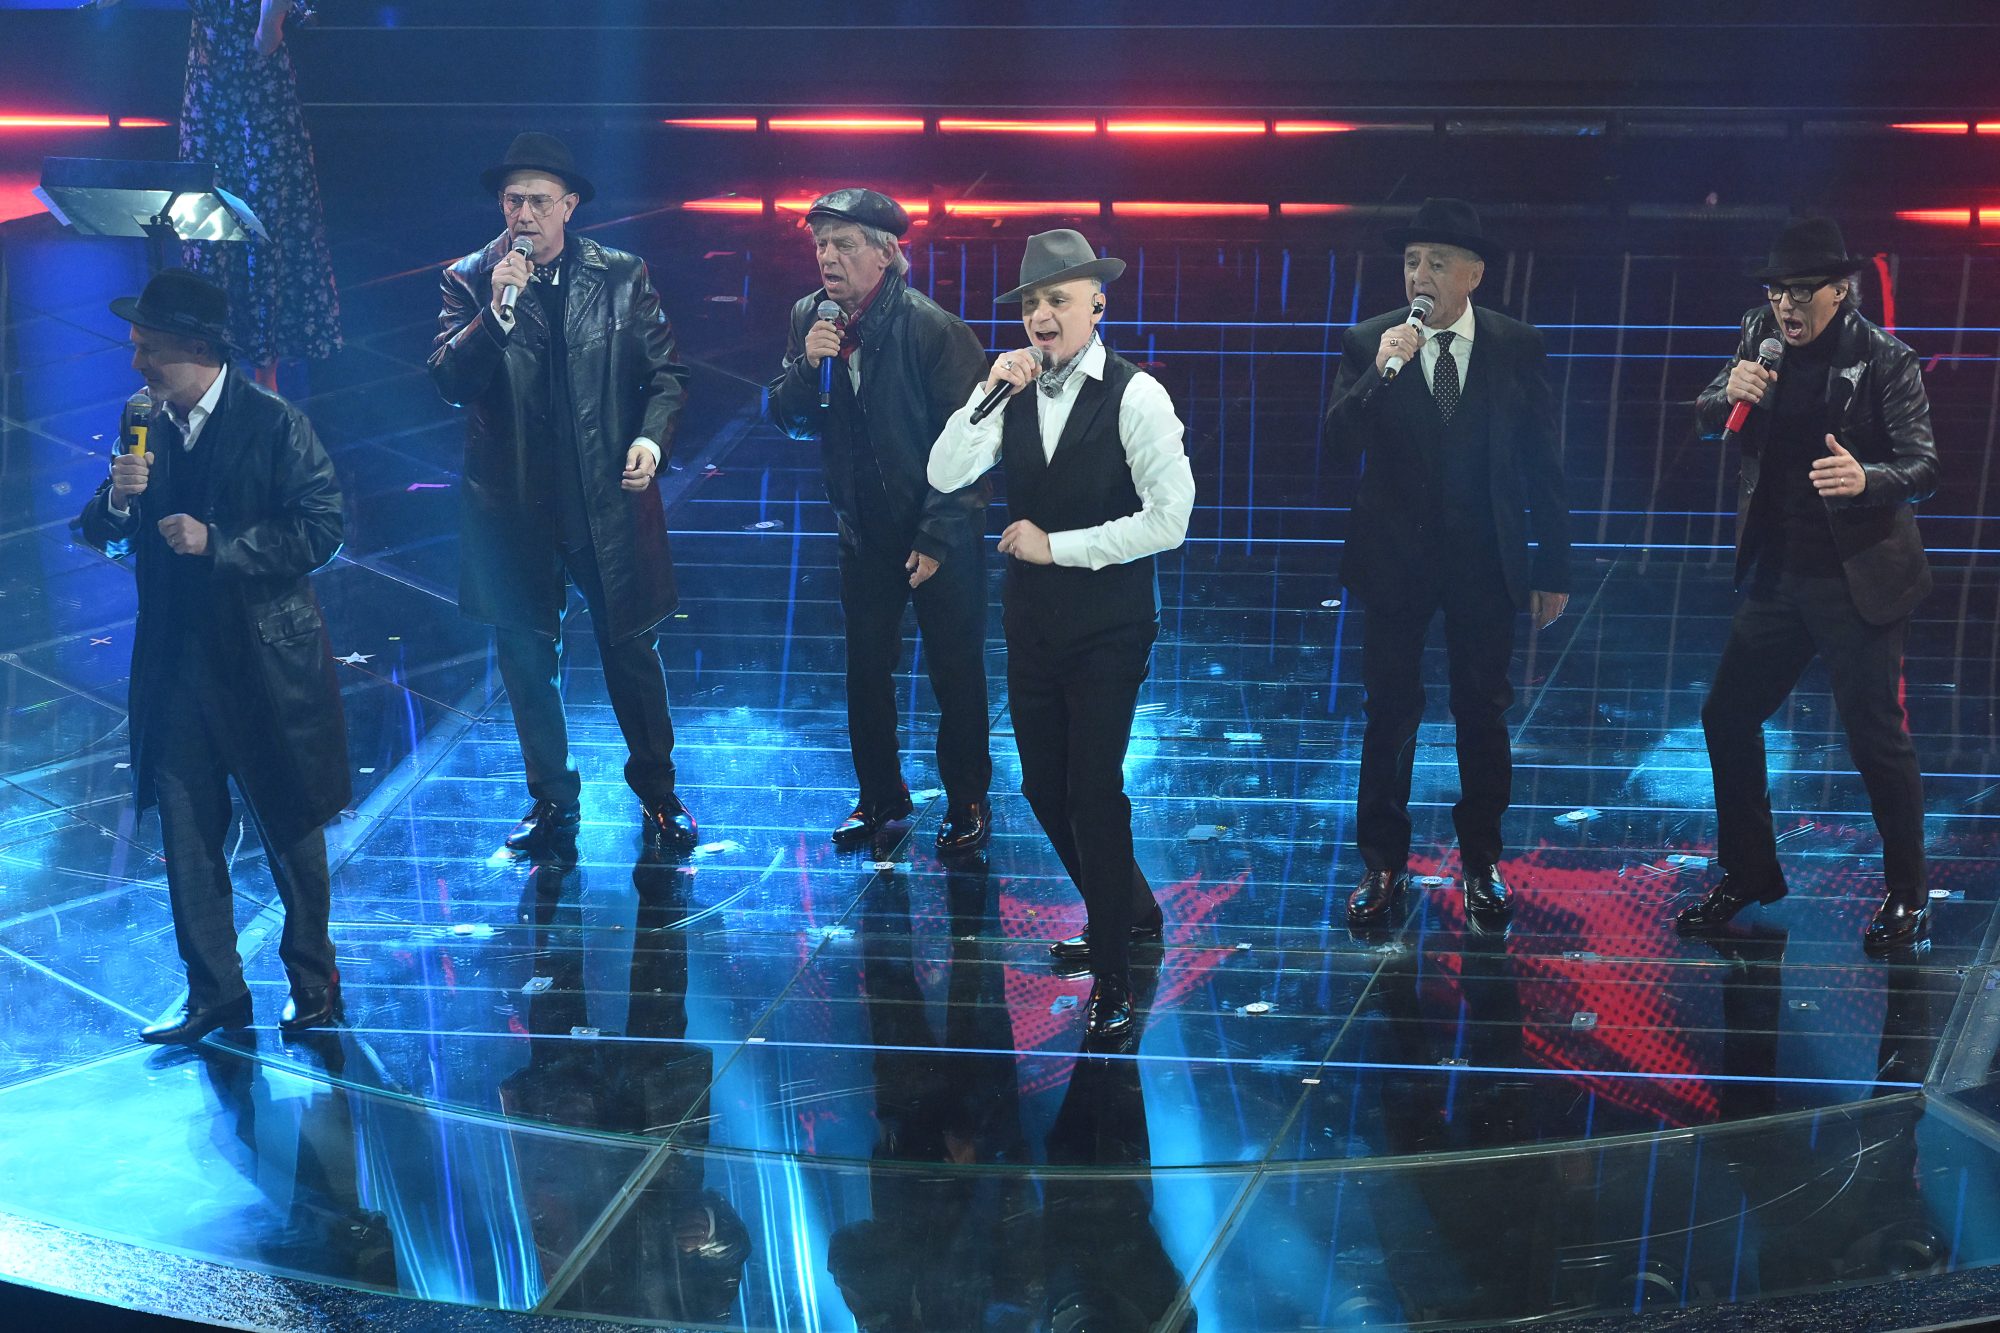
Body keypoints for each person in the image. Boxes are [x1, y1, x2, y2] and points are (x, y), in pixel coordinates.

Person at [930, 229, 1195, 1045]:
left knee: (1093, 792)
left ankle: (1113, 970)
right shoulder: (1010, 391)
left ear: (1097, 305)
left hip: (1110, 625)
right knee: (1045, 787)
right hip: (1035, 625)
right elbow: (944, 472)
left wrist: (1060, 547)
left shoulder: (1137, 395)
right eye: (1032, 304)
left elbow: (1171, 519)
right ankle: (1132, 910)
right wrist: (986, 395)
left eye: (1059, 300)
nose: (1042, 316)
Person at [77, 268, 348, 1043]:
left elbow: (323, 528)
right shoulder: (143, 419)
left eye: (149, 349)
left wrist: (219, 543)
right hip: (175, 662)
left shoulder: (273, 423)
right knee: (186, 831)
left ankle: (315, 980)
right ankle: (215, 993)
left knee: (289, 823)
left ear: (196, 349)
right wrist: (119, 499)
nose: (137, 364)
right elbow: (103, 530)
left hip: (262, 664)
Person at [429, 132, 697, 860]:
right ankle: (552, 799)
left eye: (540, 201)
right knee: (525, 658)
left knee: (630, 650)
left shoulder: (621, 275)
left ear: (570, 206)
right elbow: (450, 381)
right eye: (513, 200)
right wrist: (496, 313)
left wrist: (650, 441)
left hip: (600, 498)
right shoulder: (470, 278)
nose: (524, 214)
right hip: (512, 504)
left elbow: (667, 375)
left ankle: (660, 792)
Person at [1675, 217, 1937, 953]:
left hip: (1859, 579)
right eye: (1776, 291)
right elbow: (1709, 419)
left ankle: (1909, 893)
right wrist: (1726, 392)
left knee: (1874, 738)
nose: (1785, 306)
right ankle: (1749, 871)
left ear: (1839, 290)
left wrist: (1866, 478)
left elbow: (1923, 466)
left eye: (1800, 292)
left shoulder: (1884, 360)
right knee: (1727, 715)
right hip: (1780, 574)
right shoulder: (1758, 334)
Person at [1321, 197, 1572, 931]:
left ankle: (1482, 860)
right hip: (1394, 560)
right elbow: (1335, 446)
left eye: (1436, 262)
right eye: (1411, 262)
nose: (1419, 275)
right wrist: (1379, 372)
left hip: (1484, 560)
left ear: (1473, 274)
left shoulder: (1515, 345)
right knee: (1389, 711)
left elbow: (1543, 461)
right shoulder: (1370, 342)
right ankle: (1383, 862)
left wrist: (1553, 566)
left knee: (1482, 710)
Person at [768, 189, 995, 854]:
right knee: (866, 670)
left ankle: (967, 798)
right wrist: (809, 367)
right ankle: (879, 796)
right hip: (863, 529)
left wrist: (937, 536)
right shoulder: (810, 316)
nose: (827, 258)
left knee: (955, 670)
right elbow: (790, 420)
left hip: (936, 530)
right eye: (820, 244)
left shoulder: (935, 330)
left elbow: (976, 446)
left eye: (844, 244)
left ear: (887, 253)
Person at [177, 0, 343, 381]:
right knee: (205, 220)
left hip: (258, 92)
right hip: (207, 85)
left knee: (261, 223)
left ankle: (264, 376)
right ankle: (207, 364)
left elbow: (267, 41)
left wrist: (271, 19)